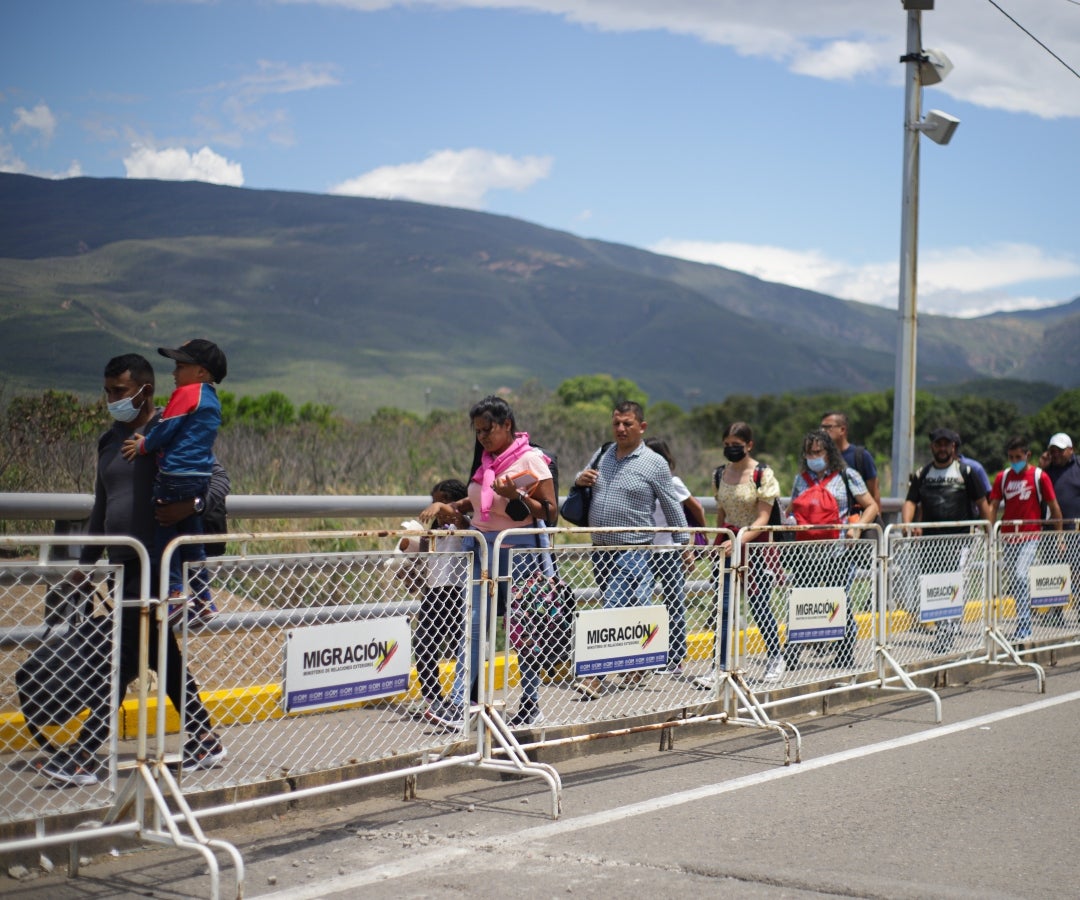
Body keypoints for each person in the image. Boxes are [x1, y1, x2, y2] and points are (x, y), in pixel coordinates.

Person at [42, 353, 227, 786]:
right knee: (159, 654)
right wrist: (86, 566)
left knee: (125, 653)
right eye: (107, 391)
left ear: (145, 390)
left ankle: (87, 752)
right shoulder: (108, 443)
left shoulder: (172, 429)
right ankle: (204, 737)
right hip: (121, 565)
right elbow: (100, 506)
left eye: (119, 392)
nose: (112, 400)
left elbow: (217, 482)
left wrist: (192, 505)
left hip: (158, 564)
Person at [420, 396, 557, 729]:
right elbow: (480, 500)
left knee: (522, 632)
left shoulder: (531, 460)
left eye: (488, 429)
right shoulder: (487, 463)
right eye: (477, 431)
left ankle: (530, 704)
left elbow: (551, 512)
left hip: (519, 554)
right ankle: (458, 705)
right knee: (476, 626)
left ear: (506, 424)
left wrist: (518, 497)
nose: (482, 437)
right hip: (483, 552)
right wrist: (449, 506)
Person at [572, 401, 688, 699]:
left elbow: (671, 503)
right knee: (623, 607)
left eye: (627, 424)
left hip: (633, 549)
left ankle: (593, 677)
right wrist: (579, 478)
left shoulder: (654, 463)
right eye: (617, 424)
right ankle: (634, 662)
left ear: (642, 427)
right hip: (601, 549)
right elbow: (582, 479)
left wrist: (684, 543)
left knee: (611, 607)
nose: (621, 429)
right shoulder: (603, 453)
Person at [122, 339, 227, 625]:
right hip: (199, 478)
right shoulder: (212, 399)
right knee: (192, 541)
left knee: (164, 536)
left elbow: (166, 428)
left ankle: (175, 594)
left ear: (201, 372)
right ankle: (204, 598)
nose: (174, 373)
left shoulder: (187, 393)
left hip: (174, 475)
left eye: (181, 367)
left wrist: (144, 446)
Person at [695, 422, 785, 689]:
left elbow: (763, 518)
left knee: (759, 606)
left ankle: (775, 657)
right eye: (727, 445)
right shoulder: (720, 474)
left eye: (736, 445)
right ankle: (718, 666)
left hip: (754, 548)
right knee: (722, 607)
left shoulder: (762, 475)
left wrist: (739, 540)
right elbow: (722, 511)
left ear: (749, 445)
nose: (731, 450)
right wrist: (719, 539)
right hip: (727, 545)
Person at [785, 429, 879, 670]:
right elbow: (793, 510)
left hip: (838, 552)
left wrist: (855, 530)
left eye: (818, 451)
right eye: (809, 452)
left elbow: (871, 506)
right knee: (801, 601)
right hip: (805, 553)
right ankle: (792, 653)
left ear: (829, 452)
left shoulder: (847, 475)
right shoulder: (800, 480)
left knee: (838, 600)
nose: (813, 456)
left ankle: (845, 651)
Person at [900, 428, 993, 652]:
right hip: (931, 543)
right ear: (932, 447)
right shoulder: (923, 473)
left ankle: (946, 631)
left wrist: (989, 532)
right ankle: (944, 627)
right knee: (935, 585)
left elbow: (982, 504)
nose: (942, 449)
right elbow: (910, 501)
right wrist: (907, 523)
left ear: (954, 447)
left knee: (953, 583)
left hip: (960, 541)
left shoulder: (966, 471)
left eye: (946, 445)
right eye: (938, 444)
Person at [399, 480, 470, 716]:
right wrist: (409, 543)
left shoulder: (466, 527)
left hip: (458, 592)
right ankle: (433, 698)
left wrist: (442, 507)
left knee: (463, 644)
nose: (436, 508)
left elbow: (459, 518)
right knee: (424, 643)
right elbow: (423, 552)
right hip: (433, 593)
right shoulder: (436, 532)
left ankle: (466, 697)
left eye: (442, 501)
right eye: (434, 502)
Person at [988, 435, 1062, 640]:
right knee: (1015, 581)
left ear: (1028, 455)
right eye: (1011, 457)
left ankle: (1025, 627)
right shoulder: (1003, 477)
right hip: (1009, 537)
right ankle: (1023, 622)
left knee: (1021, 575)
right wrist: (991, 532)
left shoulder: (1039, 477)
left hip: (1031, 535)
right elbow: (993, 505)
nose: (1014, 461)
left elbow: (1054, 507)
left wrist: (1060, 537)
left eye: (1018, 457)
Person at [644, 438, 705, 678]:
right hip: (646, 550)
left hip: (670, 551)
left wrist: (692, 543)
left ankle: (675, 657)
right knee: (644, 602)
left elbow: (697, 508)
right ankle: (649, 654)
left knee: (674, 603)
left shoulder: (673, 482)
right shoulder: (643, 483)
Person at [820, 411, 881, 519]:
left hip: (856, 521)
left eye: (828, 427)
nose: (823, 431)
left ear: (842, 430)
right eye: (822, 427)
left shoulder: (861, 456)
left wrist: (876, 522)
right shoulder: (822, 458)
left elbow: (874, 493)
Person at [1040, 433, 1080, 523]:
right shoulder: (1046, 470)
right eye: (1052, 451)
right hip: (1051, 533)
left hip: (1076, 531)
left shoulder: (1078, 465)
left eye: (1060, 450)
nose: (1056, 454)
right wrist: (1041, 468)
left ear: (1071, 450)